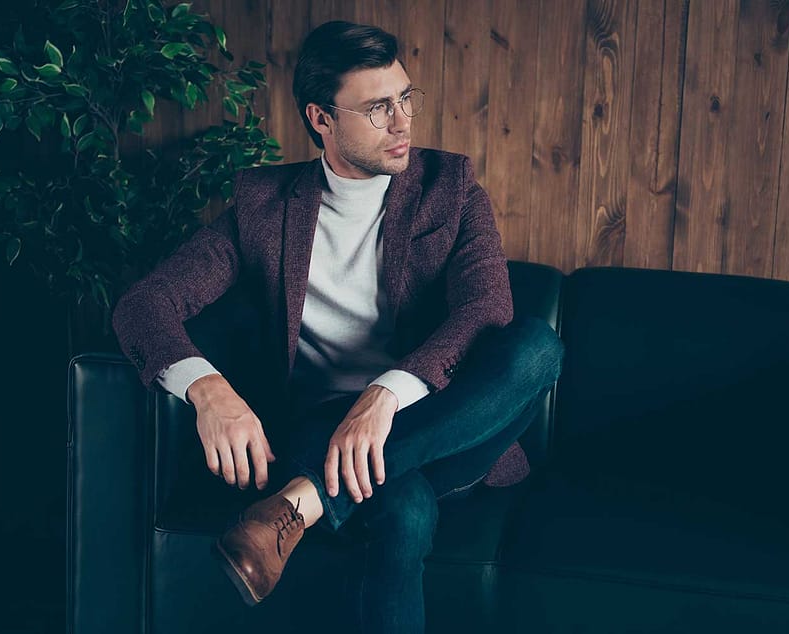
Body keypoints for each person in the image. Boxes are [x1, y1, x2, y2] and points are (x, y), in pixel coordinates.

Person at [112, 20, 563, 633]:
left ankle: (296, 505)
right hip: (321, 433)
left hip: (445, 420)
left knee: (537, 348)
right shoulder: (263, 206)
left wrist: (386, 394)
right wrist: (208, 391)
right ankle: (332, 486)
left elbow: (486, 313)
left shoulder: (450, 188)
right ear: (321, 118)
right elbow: (144, 305)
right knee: (403, 510)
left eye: (406, 98)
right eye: (378, 108)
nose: (403, 121)